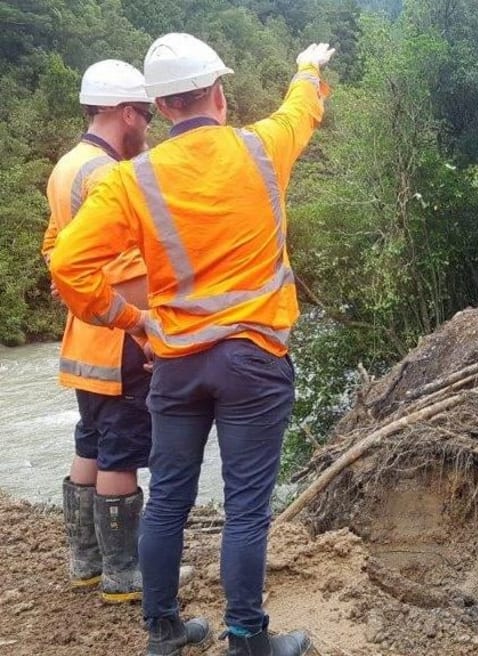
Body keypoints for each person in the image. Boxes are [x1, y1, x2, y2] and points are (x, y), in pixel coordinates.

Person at [50, 33, 335, 656]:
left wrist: (130, 319)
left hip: (175, 361)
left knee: (169, 501)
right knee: (246, 505)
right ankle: (248, 640)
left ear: (163, 106)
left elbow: (69, 267)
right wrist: (308, 67)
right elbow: (300, 107)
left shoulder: (130, 180)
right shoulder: (261, 148)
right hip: (253, 361)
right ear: (218, 95)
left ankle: (164, 633)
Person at [42, 59, 162, 604]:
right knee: (121, 450)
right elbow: (136, 265)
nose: (146, 127)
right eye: (143, 115)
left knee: (90, 441)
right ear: (123, 111)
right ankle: (124, 575)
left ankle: (85, 564)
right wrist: (147, 328)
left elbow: (55, 252)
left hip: (84, 339)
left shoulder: (66, 167)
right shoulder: (110, 175)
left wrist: (69, 288)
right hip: (119, 338)